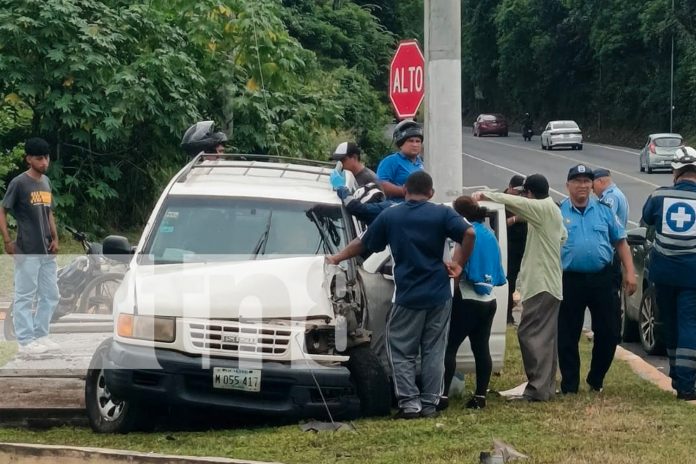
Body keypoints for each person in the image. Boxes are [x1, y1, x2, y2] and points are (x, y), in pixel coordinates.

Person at [327, 171, 476, 419]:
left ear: (405, 190)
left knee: (400, 350)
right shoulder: (443, 213)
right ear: (431, 193)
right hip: (440, 295)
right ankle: (430, 404)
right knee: (434, 351)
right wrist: (459, 262)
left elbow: (363, 243)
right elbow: (469, 233)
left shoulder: (392, 215)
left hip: (408, 295)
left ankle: (409, 404)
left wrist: (336, 257)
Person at [473, 174, 566, 402]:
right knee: (545, 336)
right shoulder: (551, 210)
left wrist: (484, 195)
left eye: (525, 193)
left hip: (541, 283)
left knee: (530, 333)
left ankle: (538, 389)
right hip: (550, 282)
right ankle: (544, 386)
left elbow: (515, 203)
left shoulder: (541, 208)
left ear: (530, 193)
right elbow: (563, 236)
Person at [557, 165, 637, 394]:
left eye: (586, 181)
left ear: (593, 185)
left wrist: (629, 272)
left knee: (610, 331)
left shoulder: (604, 211)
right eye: (577, 181)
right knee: (567, 333)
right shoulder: (559, 212)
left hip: (602, 278)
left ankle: (596, 379)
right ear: (568, 185)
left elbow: (621, 242)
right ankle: (570, 385)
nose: (582, 185)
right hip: (569, 279)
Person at [641, 147, 696, 400]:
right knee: (689, 324)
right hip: (691, 273)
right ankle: (685, 386)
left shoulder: (659, 195)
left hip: (662, 272)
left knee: (670, 323)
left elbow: (646, 219)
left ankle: (676, 375)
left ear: (675, 172)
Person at [443, 196, 506, 410]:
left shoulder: (467, 234)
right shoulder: (489, 234)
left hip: (468, 298)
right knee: (481, 349)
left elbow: (456, 265)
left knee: (449, 346)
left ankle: (441, 396)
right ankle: (480, 396)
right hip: (488, 300)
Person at [0, 137, 60, 355]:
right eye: (39, 158)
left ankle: (41, 334)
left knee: (51, 294)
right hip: (26, 249)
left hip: (46, 249)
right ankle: (25, 341)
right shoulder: (19, 183)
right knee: (26, 295)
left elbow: (49, 212)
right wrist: (7, 241)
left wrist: (55, 237)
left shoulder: (46, 183)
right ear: (28, 159)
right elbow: (2, 210)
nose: (44, 162)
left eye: (46, 157)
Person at [376, 120, 424, 201]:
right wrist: (405, 191)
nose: (415, 144)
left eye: (418, 141)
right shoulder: (390, 161)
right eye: (410, 141)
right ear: (401, 144)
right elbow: (381, 184)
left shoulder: (421, 163)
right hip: (396, 207)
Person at [504, 175, 528, 324]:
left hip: (525, 245)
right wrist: (516, 219)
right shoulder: (503, 200)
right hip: (509, 246)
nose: (520, 194)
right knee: (509, 282)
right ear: (510, 187)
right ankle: (507, 315)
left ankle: (528, 316)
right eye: (518, 191)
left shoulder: (524, 199)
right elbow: (498, 224)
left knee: (528, 281)